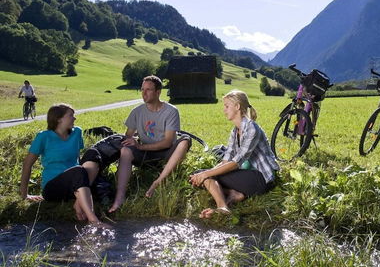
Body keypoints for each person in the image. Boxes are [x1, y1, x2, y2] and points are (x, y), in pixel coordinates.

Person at [189, 90, 279, 219]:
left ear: (237, 107)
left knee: (207, 176)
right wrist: (205, 172)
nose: (224, 110)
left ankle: (222, 207)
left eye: (226, 106)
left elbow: (237, 162)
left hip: (260, 179)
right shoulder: (234, 131)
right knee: (198, 174)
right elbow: (226, 160)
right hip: (245, 176)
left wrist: (207, 174)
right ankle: (234, 194)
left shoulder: (252, 128)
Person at [109, 75, 191, 213]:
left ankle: (158, 182)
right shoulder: (137, 111)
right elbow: (128, 137)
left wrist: (140, 146)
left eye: (148, 90)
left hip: (166, 154)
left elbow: (167, 142)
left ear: (158, 92)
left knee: (185, 140)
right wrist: (133, 140)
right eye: (142, 89)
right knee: (125, 150)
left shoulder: (171, 111)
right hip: (145, 154)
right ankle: (119, 197)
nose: (144, 93)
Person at [19, 103, 102, 224]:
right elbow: (27, 165)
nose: (75, 118)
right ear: (59, 119)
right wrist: (24, 195)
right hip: (53, 188)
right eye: (71, 115)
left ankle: (78, 202)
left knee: (93, 153)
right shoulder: (43, 137)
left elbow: (77, 158)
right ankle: (94, 220)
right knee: (78, 170)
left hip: (75, 182)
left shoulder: (77, 132)